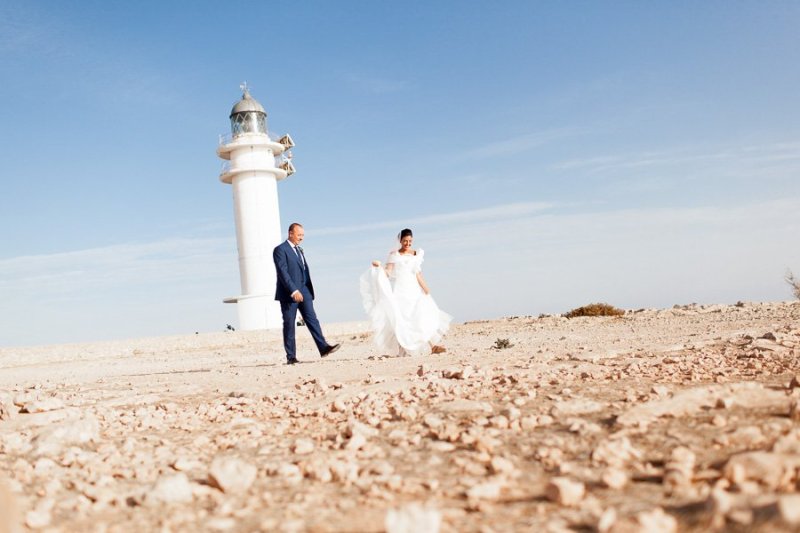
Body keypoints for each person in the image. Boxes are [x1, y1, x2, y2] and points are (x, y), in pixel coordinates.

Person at [360, 228, 451, 356]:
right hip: (400, 291)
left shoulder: (415, 254)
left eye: (410, 241)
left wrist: (425, 288)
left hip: (414, 289)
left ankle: (433, 346)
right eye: (405, 241)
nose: (408, 243)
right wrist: (378, 268)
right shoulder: (394, 255)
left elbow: (418, 273)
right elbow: (388, 272)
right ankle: (401, 350)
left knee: (421, 316)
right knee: (401, 319)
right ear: (400, 241)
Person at [274, 223, 341, 365]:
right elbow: (283, 272)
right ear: (290, 233)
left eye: (303, 235)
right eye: (299, 235)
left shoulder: (299, 250)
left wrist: (304, 289)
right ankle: (291, 357)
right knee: (289, 324)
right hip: (289, 293)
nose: (301, 238)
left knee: (312, 319)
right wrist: (293, 290)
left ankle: (323, 347)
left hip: (305, 289)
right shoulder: (280, 250)